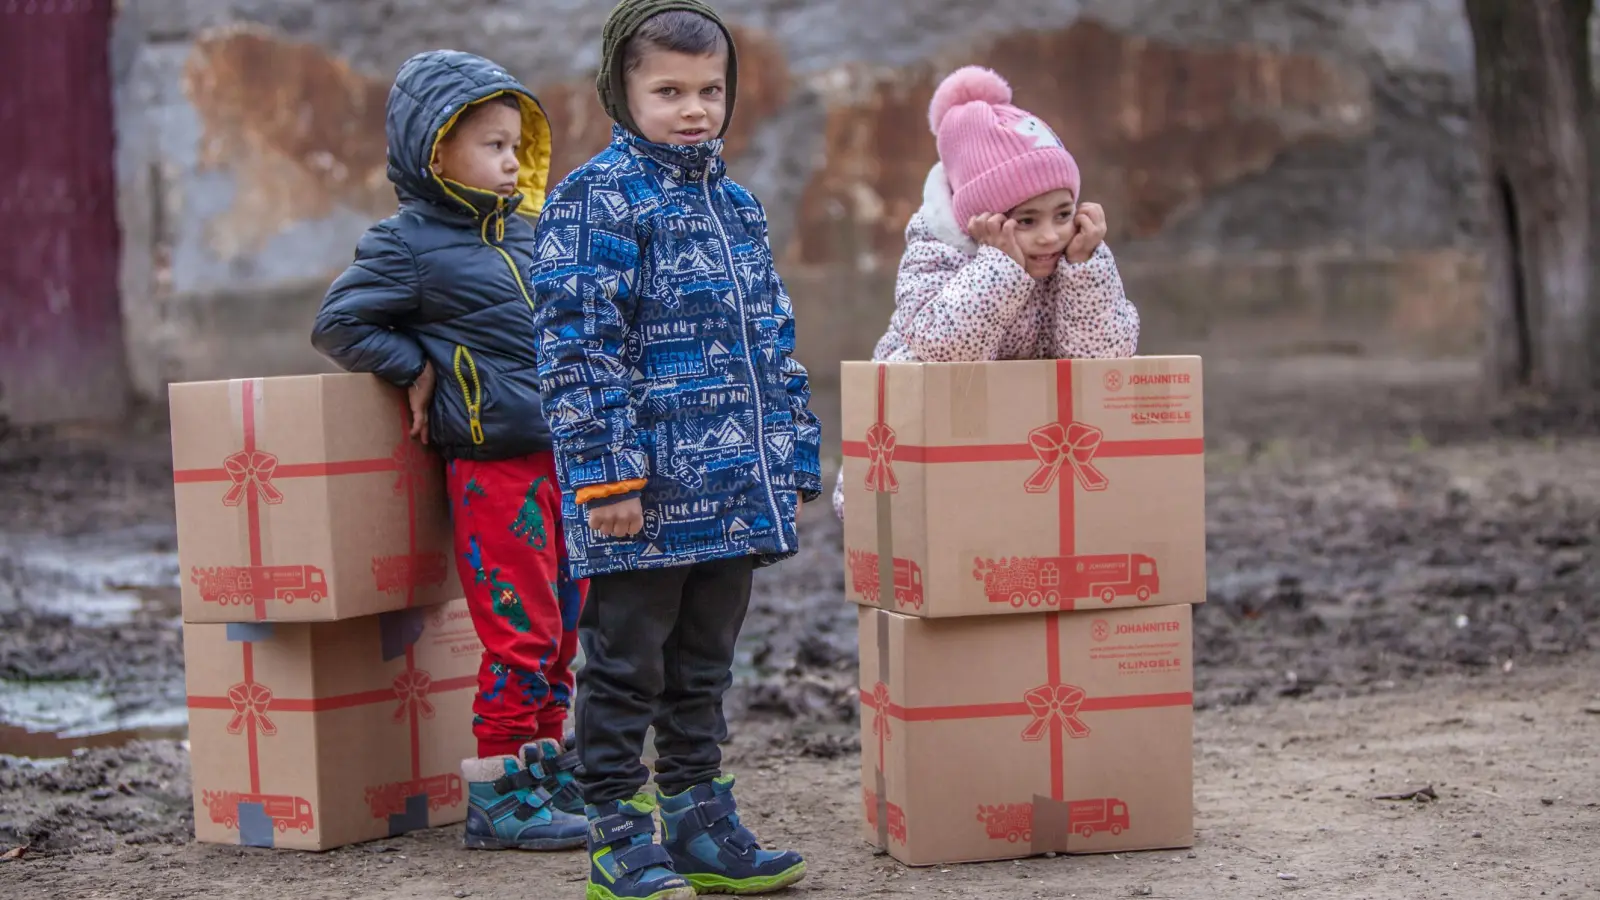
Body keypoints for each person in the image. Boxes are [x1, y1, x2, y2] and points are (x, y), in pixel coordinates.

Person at [530, 1, 819, 896]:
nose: (693, 108)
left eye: (709, 89)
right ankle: (618, 828)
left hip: (734, 486)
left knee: (704, 663)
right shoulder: (595, 199)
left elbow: (772, 334)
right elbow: (576, 345)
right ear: (621, 93)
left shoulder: (735, 205)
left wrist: (793, 451)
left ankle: (697, 812)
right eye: (668, 90)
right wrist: (604, 474)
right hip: (641, 496)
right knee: (625, 663)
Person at [310, 49, 587, 851]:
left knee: (566, 623)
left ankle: (544, 771)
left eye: (515, 145)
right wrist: (419, 367)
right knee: (519, 627)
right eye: (492, 146)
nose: (511, 161)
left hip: (562, 461)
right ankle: (499, 793)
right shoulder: (408, 246)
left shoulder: (533, 236)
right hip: (494, 467)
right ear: (437, 153)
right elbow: (339, 323)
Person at [832, 65, 1140, 520]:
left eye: (1062, 213)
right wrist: (1002, 267)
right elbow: (947, 351)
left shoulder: (1073, 258)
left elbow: (1104, 363)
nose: (1051, 237)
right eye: (1026, 221)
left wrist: (1085, 268)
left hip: (1022, 449)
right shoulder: (936, 252)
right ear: (980, 223)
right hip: (926, 460)